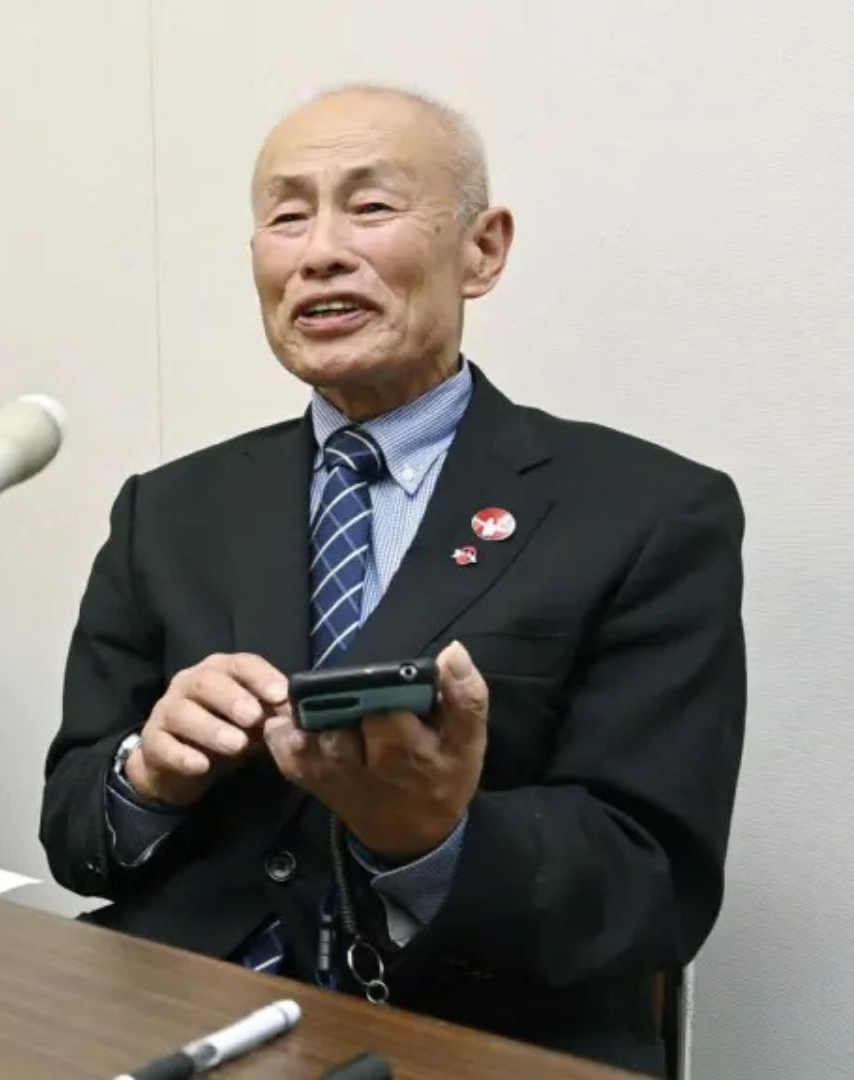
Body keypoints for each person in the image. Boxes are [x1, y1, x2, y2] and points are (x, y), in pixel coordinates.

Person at [39, 86, 745, 1076]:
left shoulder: (646, 513)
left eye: (370, 207)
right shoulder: (169, 509)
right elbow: (73, 829)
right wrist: (147, 777)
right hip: (179, 1016)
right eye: (287, 216)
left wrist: (433, 837)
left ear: (483, 250)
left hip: (471, 1037)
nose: (320, 252)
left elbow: (653, 888)